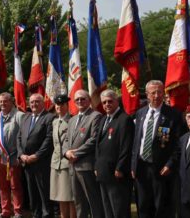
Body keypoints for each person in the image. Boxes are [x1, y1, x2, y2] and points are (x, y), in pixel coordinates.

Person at [131, 80, 184, 218]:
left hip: (161, 169)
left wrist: (170, 164)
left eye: (160, 92)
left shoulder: (173, 115)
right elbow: (137, 141)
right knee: (143, 206)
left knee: (161, 207)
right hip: (141, 167)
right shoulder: (140, 113)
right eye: (153, 92)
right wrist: (133, 165)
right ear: (147, 95)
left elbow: (178, 144)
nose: (156, 95)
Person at [63, 89, 104, 218]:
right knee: (79, 201)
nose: (80, 101)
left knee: (93, 200)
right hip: (72, 166)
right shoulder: (72, 119)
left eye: (83, 99)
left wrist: (76, 153)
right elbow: (66, 140)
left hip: (86, 166)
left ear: (89, 100)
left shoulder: (95, 116)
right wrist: (66, 153)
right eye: (77, 99)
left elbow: (94, 139)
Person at [95, 89, 134, 218]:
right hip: (103, 171)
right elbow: (98, 145)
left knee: (119, 209)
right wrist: (96, 165)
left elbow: (126, 146)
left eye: (110, 101)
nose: (107, 104)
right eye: (104, 102)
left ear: (117, 101)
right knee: (108, 209)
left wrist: (120, 167)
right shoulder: (102, 119)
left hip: (116, 174)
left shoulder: (124, 119)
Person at [17, 93, 54, 218]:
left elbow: (49, 140)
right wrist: (21, 155)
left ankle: (47, 214)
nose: (34, 104)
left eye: (37, 101)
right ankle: (36, 214)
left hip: (41, 162)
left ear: (43, 103)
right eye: (32, 102)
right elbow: (19, 137)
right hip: (26, 162)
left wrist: (37, 155)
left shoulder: (49, 117)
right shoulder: (25, 117)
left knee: (44, 192)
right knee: (32, 192)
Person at [0, 92, 24, 218]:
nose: (3, 103)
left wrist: (20, 155)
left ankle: (18, 211)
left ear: (12, 101)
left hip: (13, 157)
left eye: (6, 101)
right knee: (2, 185)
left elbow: (22, 138)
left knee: (15, 185)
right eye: (1, 101)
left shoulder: (19, 116)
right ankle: (6, 210)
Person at [50, 95, 76, 218]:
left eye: (62, 104)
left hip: (67, 163)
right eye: (57, 105)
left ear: (67, 105)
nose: (59, 107)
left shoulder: (72, 121)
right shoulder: (55, 122)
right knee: (60, 195)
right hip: (56, 163)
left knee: (70, 196)